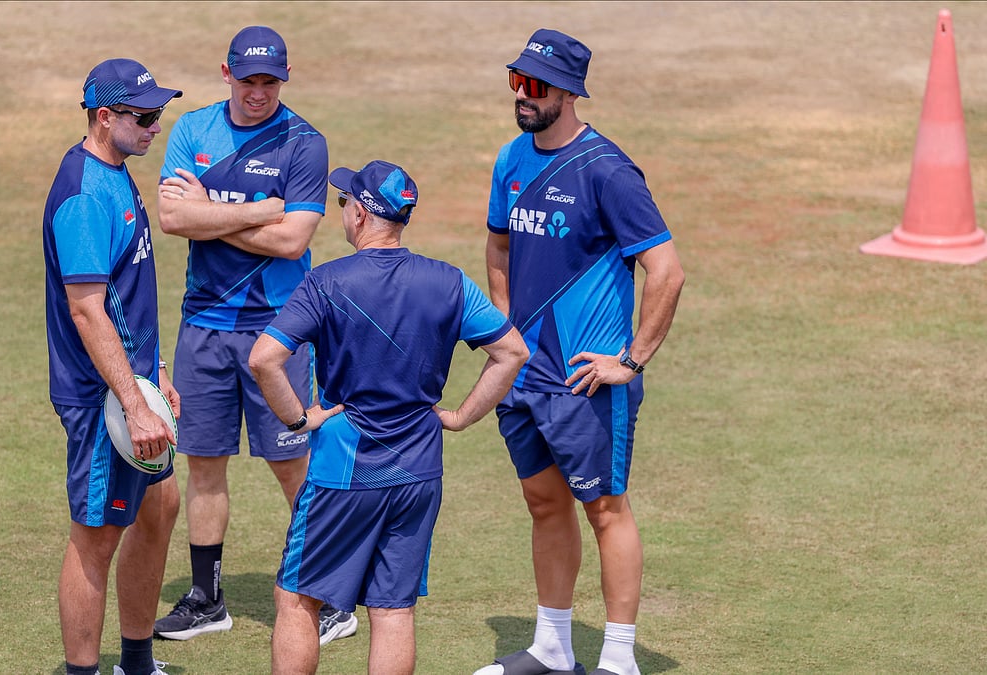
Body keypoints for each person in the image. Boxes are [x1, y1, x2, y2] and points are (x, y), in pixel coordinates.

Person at [249, 160, 530, 675]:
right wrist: (463, 417)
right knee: (393, 609)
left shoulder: (325, 282)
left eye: (344, 202)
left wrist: (298, 420)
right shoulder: (449, 281)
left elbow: (264, 359)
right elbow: (512, 352)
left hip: (343, 471)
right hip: (419, 471)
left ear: (359, 214)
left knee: (297, 600)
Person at [475, 29, 686, 675]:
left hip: (586, 380)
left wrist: (632, 358)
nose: (521, 93)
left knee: (604, 508)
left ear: (568, 93)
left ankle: (619, 659)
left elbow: (667, 270)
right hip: (525, 374)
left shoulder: (607, 170)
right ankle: (553, 647)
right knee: (544, 503)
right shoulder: (511, 158)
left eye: (535, 85)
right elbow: (499, 248)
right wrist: (505, 334)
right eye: (517, 80)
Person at [152, 25, 355, 644]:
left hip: (279, 331)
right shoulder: (191, 130)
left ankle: (333, 598)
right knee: (203, 464)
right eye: (249, 81)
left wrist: (208, 213)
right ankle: (206, 598)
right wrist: (259, 210)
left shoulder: (304, 143)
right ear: (226, 73)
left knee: (292, 463)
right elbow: (170, 216)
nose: (259, 92)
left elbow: (295, 240)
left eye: (270, 82)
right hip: (203, 325)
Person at [42, 58, 184, 675]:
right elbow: (88, 309)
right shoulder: (83, 196)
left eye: (158, 115)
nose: (156, 127)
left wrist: (157, 378)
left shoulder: (116, 171)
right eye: (145, 116)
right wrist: (132, 401)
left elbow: (131, 294)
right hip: (103, 402)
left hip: (134, 385)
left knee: (161, 508)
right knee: (97, 538)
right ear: (105, 117)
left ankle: (136, 660)